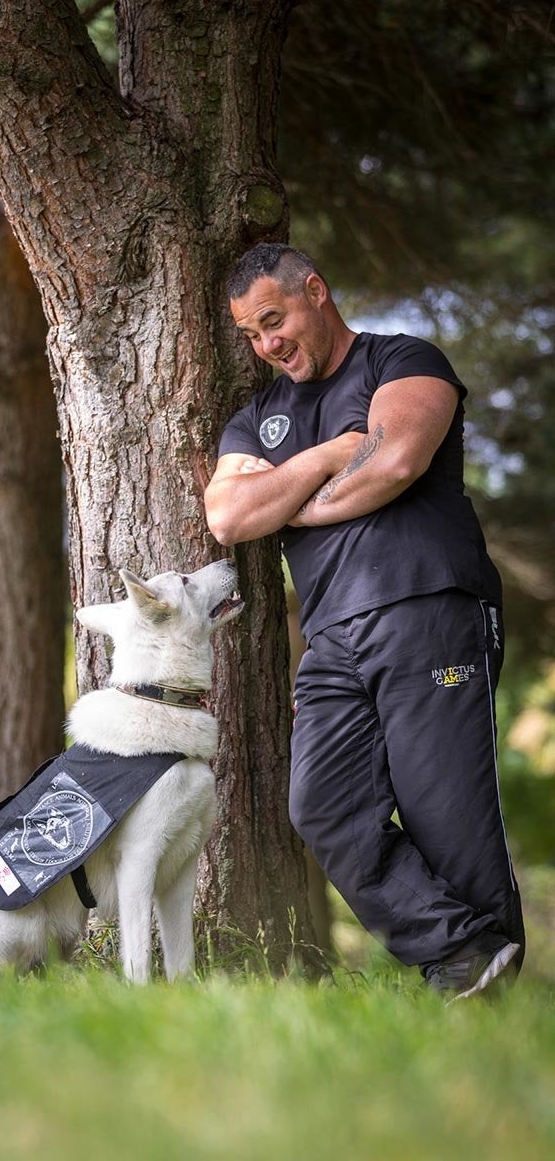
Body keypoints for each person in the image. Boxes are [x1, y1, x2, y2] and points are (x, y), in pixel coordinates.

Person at [204, 243, 525, 999]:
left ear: (315, 290)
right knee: (322, 805)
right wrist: (325, 458)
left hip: (430, 606)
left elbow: (396, 462)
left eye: (274, 320)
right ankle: (468, 953)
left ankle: (486, 1001)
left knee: (448, 812)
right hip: (331, 639)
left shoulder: (402, 359)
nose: (267, 345)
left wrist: (292, 502)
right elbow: (229, 517)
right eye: (251, 334)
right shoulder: (258, 419)